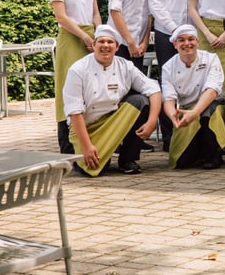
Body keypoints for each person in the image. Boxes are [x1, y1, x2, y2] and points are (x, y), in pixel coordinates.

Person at [65, 26, 162, 176]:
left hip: (114, 121)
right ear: (93, 45)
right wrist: (87, 146)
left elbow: (153, 89)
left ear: (117, 47)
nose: (105, 46)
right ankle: (94, 152)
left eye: (110, 42)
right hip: (86, 128)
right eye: (101, 42)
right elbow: (74, 111)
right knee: (94, 169)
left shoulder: (125, 66)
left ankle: (128, 159)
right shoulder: (78, 69)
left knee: (140, 101)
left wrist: (151, 122)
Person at [148, 0, 200, 150]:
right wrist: (175, 30)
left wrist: (191, 31)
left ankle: (192, 133)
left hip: (192, 34)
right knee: (168, 82)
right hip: (167, 33)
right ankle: (169, 135)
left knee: (192, 81)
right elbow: (156, 3)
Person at [49, 0, 102, 154]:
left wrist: (99, 36)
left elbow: (95, 13)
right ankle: (67, 141)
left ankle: (90, 135)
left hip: (91, 36)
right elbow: (61, 17)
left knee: (91, 86)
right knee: (68, 86)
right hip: (72, 37)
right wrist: (84, 37)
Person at [161, 25, 225, 170]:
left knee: (208, 112)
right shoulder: (168, 67)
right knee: (181, 161)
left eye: (191, 39)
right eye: (181, 40)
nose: (187, 44)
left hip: (212, 106)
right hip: (186, 111)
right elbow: (168, 98)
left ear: (198, 41)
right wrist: (173, 116)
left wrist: (195, 112)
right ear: (175, 44)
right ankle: (199, 151)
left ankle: (213, 153)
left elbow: (212, 90)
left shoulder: (211, 59)